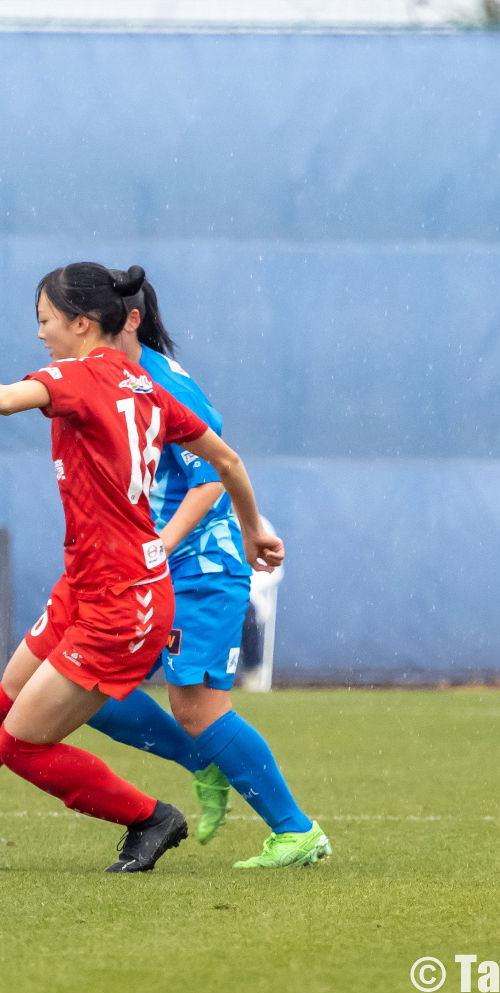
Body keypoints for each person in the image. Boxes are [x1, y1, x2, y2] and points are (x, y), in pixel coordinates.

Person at [0, 262, 282, 873]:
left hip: (122, 600)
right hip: (89, 585)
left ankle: (152, 818)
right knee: (0, 707)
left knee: (21, 745)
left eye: (46, 320)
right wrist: (254, 527)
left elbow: (4, 400)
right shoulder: (146, 385)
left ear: (82, 323)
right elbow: (228, 462)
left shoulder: (79, 378)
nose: (40, 334)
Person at [85, 279, 331, 868]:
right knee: (87, 690)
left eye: (84, 320)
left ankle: (297, 832)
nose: (72, 332)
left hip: (200, 569)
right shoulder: (105, 379)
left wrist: (162, 544)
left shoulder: (164, 385)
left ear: (128, 322)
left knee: (197, 709)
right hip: (151, 571)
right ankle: (205, 759)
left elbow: (213, 475)